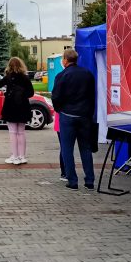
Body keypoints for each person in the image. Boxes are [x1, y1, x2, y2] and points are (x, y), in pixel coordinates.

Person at [51, 48, 97, 190]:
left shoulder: (62, 75)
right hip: (84, 117)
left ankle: (72, 181)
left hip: (67, 116)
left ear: (65, 60)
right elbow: (92, 96)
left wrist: (60, 109)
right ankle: (89, 180)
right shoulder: (87, 74)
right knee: (85, 148)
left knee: (67, 149)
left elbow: (56, 97)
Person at [0, 57, 35, 164]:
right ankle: (22, 157)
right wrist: (22, 96)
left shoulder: (8, 77)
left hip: (10, 107)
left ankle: (15, 156)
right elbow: (31, 93)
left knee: (12, 132)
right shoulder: (25, 78)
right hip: (23, 107)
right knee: (21, 132)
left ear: (9, 66)